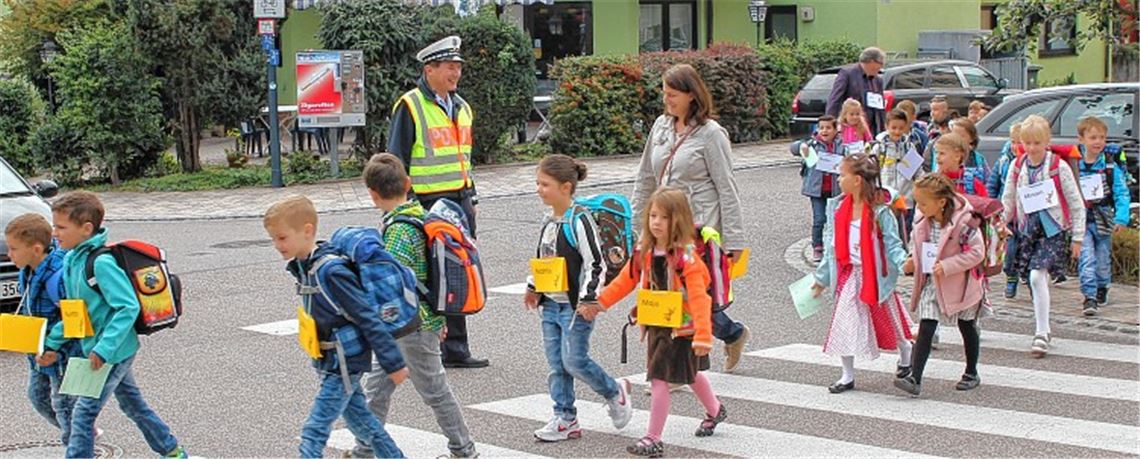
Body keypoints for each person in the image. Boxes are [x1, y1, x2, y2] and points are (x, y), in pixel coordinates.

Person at [37, 191, 187, 459]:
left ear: (86, 229)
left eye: (61, 227)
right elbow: (77, 312)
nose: (55, 233)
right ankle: (172, 451)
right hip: (97, 350)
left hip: (112, 352)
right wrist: (52, 343)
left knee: (82, 413)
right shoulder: (73, 260)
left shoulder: (101, 263)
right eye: (54, 226)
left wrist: (104, 349)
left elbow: (127, 306)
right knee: (133, 405)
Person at [584, 187, 726, 457]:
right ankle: (716, 410)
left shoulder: (686, 258)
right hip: (657, 324)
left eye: (664, 217)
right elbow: (626, 280)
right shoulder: (644, 251)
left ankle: (653, 437)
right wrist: (600, 303)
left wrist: (704, 335)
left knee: (660, 378)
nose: (656, 222)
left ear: (679, 221)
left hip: (683, 329)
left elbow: (699, 297)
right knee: (690, 374)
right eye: (653, 216)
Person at [353, 153, 479, 458]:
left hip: (408, 325)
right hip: (417, 322)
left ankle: (464, 450)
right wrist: (441, 319)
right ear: (408, 184)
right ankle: (364, 450)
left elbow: (393, 285)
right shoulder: (422, 216)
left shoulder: (397, 230)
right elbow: (435, 275)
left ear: (372, 194)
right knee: (377, 388)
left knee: (434, 391)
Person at [264, 195, 406, 458]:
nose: (276, 245)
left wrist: (393, 363)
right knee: (365, 425)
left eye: (282, 238)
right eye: (273, 238)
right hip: (328, 359)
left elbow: (367, 317)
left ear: (307, 231)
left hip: (343, 363)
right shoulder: (304, 267)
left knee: (313, 432)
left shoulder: (330, 271)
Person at [631, 64, 750, 374]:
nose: (666, 99)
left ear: (691, 95)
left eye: (672, 94)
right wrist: (637, 226)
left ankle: (677, 370)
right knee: (670, 296)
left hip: (698, 232)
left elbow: (727, 188)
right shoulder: (660, 127)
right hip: (662, 229)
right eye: (664, 93)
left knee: (688, 296)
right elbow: (645, 177)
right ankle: (729, 335)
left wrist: (734, 239)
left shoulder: (711, 135)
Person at [387, 35, 488, 369]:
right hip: (426, 203)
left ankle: (457, 349)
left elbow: (463, 157)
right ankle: (422, 346)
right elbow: (396, 160)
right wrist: (407, 205)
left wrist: (470, 196)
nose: (455, 73)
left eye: (458, 67)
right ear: (429, 69)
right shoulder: (411, 105)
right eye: (449, 67)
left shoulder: (462, 106)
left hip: (459, 202)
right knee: (428, 276)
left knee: (456, 273)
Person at [524, 154, 634, 442]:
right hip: (550, 305)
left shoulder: (580, 220)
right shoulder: (549, 221)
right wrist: (533, 286)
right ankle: (565, 418)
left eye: (544, 184)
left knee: (574, 360)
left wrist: (588, 299)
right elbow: (543, 257)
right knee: (556, 365)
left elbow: (595, 262)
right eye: (538, 183)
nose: (539, 189)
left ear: (565, 187)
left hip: (574, 307)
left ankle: (614, 391)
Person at [811, 154, 914, 394]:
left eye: (842, 174)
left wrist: (904, 262)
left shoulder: (880, 212)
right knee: (844, 321)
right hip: (849, 274)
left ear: (857, 180)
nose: (838, 179)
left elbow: (893, 244)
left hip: (875, 275)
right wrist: (821, 279)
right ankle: (847, 375)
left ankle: (906, 351)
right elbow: (831, 247)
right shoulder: (837, 208)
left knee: (888, 318)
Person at [1001, 115, 1086, 358]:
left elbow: (1075, 202)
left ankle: (1041, 332)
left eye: (1036, 143)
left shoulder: (1058, 166)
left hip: (1052, 230)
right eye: (1026, 143)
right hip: (1028, 231)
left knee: (1037, 276)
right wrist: (1001, 223)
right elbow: (1008, 198)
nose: (1031, 148)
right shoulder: (1017, 166)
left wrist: (1078, 238)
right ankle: (1044, 326)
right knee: (1033, 279)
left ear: (1046, 142)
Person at [896, 175, 987, 397]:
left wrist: (948, 265)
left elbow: (977, 252)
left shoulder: (965, 222)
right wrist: (911, 260)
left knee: (967, 326)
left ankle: (971, 372)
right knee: (926, 326)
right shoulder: (921, 219)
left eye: (924, 203)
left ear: (941, 202)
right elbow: (916, 245)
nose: (919, 207)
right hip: (932, 283)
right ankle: (915, 378)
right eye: (917, 202)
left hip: (961, 284)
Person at [5, 214, 78, 446]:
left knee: (63, 403)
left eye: (14, 249)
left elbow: (73, 319)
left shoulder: (58, 275)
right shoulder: (26, 271)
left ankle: (76, 444)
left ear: (36, 249)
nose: (9, 255)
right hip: (37, 352)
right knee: (37, 397)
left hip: (60, 354)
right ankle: (81, 431)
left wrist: (53, 346)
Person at [1074, 117, 1132, 316]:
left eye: (1102, 138)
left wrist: (1122, 218)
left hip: (1103, 218)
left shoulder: (1109, 167)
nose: (1098, 142)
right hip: (1082, 219)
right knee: (1087, 256)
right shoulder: (1074, 166)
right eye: (1093, 137)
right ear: (1081, 139)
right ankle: (1089, 296)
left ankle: (1102, 286)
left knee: (1102, 258)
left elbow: (1121, 193)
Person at [792, 115, 845, 261]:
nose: (824, 131)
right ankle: (817, 246)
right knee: (819, 219)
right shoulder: (813, 144)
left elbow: (849, 158)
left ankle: (834, 245)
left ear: (836, 130)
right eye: (821, 128)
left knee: (835, 219)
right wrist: (801, 147)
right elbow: (795, 148)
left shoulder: (841, 145)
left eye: (828, 128)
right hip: (817, 190)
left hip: (835, 189)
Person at [872, 109, 925, 246]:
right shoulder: (879, 148)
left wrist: (922, 184)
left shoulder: (909, 147)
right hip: (885, 199)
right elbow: (872, 170)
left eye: (901, 128)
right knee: (885, 231)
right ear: (887, 126)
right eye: (893, 128)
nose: (897, 131)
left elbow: (917, 171)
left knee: (905, 231)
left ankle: (903, 258)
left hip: (906, 198)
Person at [989, 123, 1024, 299]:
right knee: (1009, 251)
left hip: (1028, 218)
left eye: (1021, 142)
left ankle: (1026, 275)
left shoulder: (1033, 164)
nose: (1016, 146)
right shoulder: (1003, 162)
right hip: (1008, 216)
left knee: (1026, 251)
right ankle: (1011, 277)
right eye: (1013, 142)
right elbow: (993, 185)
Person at [826, 47, 887, 135]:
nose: (881, 67)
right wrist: (830, 122)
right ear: (872, 61)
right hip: (851, 128)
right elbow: (835, 99)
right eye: (881, 64)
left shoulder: (877, 80)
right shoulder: (847, 74)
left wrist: (883, 128)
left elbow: (880, 106)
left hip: (873, 128)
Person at [934, 133, 988, 197]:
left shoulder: (972, 183)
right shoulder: (932, 182)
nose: (937, 157)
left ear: (957, 156)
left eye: (942, 153)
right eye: (936, 152)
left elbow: (985, 204)